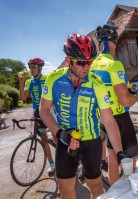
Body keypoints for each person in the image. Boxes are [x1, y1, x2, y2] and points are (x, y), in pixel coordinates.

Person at [39, 33, 125, 199]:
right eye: (81, 62)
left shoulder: (96, 83)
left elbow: (108, 121)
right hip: (66, 142)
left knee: (96, 187)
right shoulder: (54, 79)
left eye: (89, 62)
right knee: (66, 190)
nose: (86, 67)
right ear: (69, 60)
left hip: (91, 142)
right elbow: (44, 110)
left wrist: (120, 152)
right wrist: (58, 132)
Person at [92, 24, 138, 185]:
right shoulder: (114, 64)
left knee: (112, 155)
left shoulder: (92, 65)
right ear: (114, 42)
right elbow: (125, 100)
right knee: (132, 159)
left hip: (102, 117)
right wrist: (137, 97)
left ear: (99, 43)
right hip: (119, 116)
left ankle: (115, 192)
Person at [19, 58, 55, 174]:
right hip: (36, 111)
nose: (31, 69)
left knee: (56, 137)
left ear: (40, 67)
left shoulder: (47, 79)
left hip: (50, 109)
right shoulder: (29, 82)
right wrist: (21, 82)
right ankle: (52, 164)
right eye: (30, 67)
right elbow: (23, 98)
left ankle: (63, 161)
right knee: (44, 140)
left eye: (34, 67)